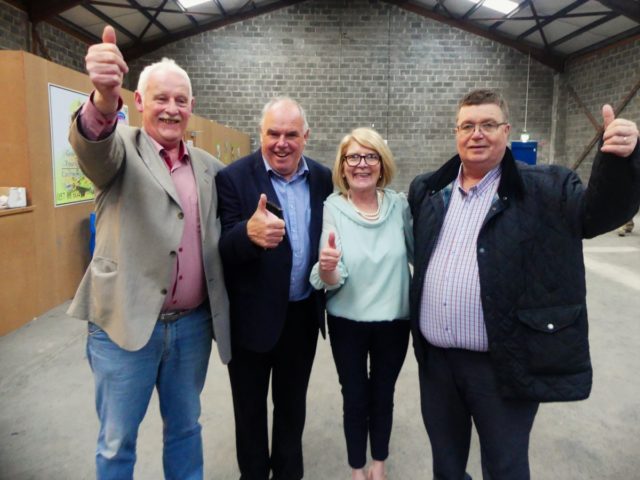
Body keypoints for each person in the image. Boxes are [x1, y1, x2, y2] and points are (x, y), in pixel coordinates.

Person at [408, 88, 640, 480]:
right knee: (446, 467)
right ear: (456, 133)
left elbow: (597, 215)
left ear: (507, 130)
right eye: (467, 125)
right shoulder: (430, 190)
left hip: (503, 365)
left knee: (505, 466)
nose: (476, 133)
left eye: (488, 124)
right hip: (437, 365)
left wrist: (620, 161)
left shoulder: (545, 188)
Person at [67, 25, 230, 480]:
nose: (171, 109)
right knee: (118, 442)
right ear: (138, 102)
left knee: (185, 430)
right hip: (124, 327)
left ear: (192, 108)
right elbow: (93, 144)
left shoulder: (210, 168)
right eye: (161, 98)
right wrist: (102, 99)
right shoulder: (120, 151)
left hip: (192, 329)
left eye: (181, 101)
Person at [215, 97, 333, 480]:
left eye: (291, 134)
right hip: (251, 320)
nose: (281, 142)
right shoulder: (234, 178)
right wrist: (247, 235)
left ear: (306, 136)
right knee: (249, 413)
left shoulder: (322, 178)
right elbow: (223, 251)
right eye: (273, 133)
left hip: (300, 316)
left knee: (291, 408)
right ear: (261, 134)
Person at [309, 127, 412, 480]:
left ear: (382, 165)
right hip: (347, 323)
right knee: (354, 398)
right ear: (342, 166)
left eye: (370, 156)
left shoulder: (399, 207)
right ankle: (357, 468)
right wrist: (327, 268)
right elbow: (332, 276)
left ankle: (378, 464)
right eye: (353, 157)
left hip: (394, 323)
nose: (362, 164)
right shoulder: (333, 207)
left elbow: (421, 252)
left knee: (383, 395)